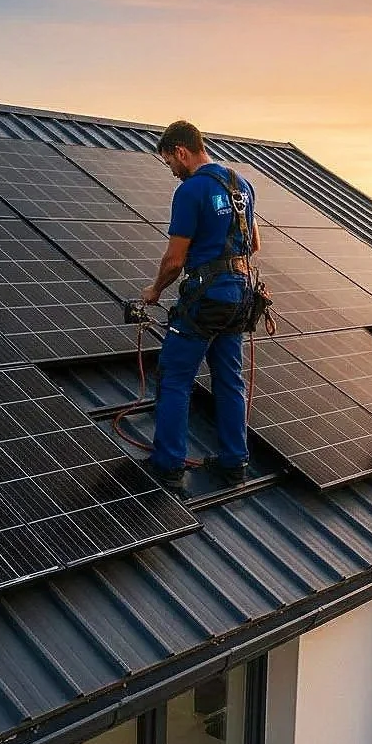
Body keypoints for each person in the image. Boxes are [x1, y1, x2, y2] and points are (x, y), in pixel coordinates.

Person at [140, 120, 262, 489]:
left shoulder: (191, 191)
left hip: (206, 296)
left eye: (169, 162)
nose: (171, 171)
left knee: (175, 376)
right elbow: (253, 244)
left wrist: (155, 290)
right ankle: (233, 462)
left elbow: (175, 260)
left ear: (181, 151)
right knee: (229, 377)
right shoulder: (242, 184)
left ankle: (168, 465)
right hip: (240, 295)